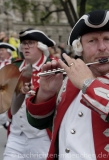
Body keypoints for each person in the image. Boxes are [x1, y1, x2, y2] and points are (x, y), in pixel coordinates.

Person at [26, 10, 109, 160]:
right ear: (80, 48)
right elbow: (37, 123)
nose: (101, 47)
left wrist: (88, 83)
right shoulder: (67, 80)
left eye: (108, 39)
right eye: (92, 41)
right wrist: (45, 93)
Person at [3, 28, 56, 160]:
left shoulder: (53, 68)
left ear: (41, 46)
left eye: (31, 43)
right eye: (24, 43)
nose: (26, 47)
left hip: (42, 137)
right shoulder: (14, 68)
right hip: (15, 135)